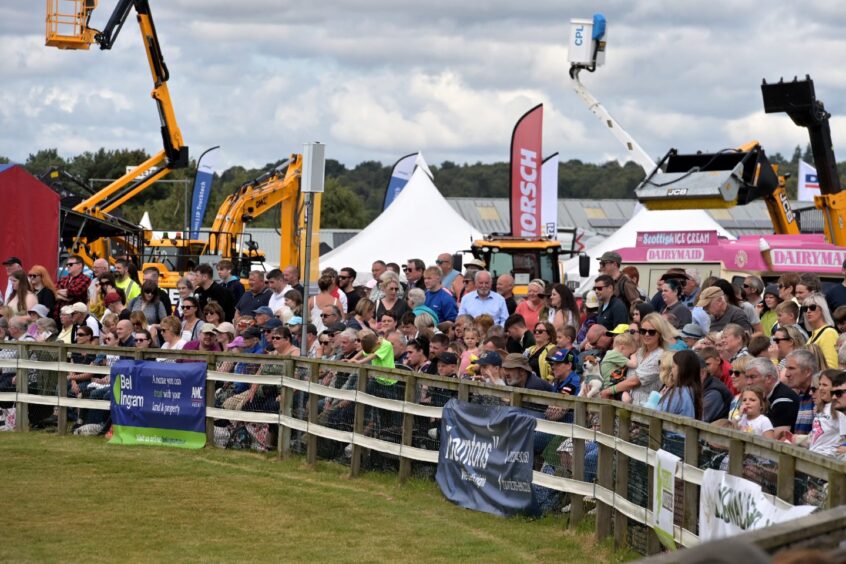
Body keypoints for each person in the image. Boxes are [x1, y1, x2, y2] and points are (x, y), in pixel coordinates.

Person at [603, 312, 668, 406]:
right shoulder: (637, 352)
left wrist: (608, 391)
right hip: (624, 406)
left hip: (644, 409)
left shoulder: (660, 356)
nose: (646, 334)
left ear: (660, 334)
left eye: (651, 332)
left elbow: (634, 381)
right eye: (643, 331)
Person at [744, 357, 799, 434]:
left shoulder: (784, 400)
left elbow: (776, 438)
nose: (748, 382)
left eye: (752, 377)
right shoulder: (763, 396)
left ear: (768, 378)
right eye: (747, 377)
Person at [806, 371, 846, 456]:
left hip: (828, 458)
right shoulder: (820, 408)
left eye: (825, 385)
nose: (820, 388)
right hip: (813, 455)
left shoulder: (839, 410)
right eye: (820, 384)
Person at [657, 349, 702, 419]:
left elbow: (659, 412)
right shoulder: (693, 390)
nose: (671, 371)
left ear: (682, 369)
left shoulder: (679, 393)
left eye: (673, 367)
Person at [783, 349, 818, 435]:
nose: (787, 374)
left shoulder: (820, 396)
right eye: (786, 369)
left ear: (807, 372)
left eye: (791, 368)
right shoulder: (800, 395)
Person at [802, 294, 838, 369]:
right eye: (805, 308)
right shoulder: (813, 335)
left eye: (812, 307)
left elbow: (832, 367)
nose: (808, 311)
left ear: (822, 310)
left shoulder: (829, 333)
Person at [701, 351, 732, 422]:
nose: (706, 368)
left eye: (708, 364)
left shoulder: (713, 393)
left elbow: (700, 420)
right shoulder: (709, 383)